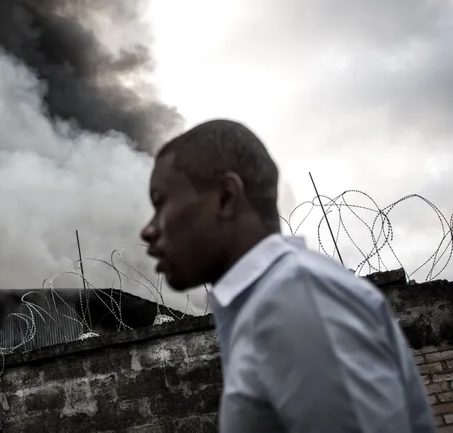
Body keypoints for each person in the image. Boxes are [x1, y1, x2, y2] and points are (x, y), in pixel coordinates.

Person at [140, 119, 436, 433]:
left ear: (226, 197)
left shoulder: (298, 298)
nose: (149, 229)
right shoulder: (269, 302)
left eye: (161, 204)